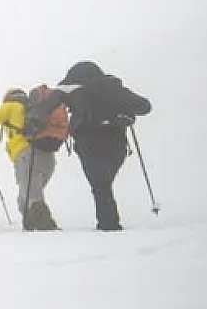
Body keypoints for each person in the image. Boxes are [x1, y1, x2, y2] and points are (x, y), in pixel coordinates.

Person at [35, 62, 153, 231]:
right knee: (103, 183)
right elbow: (144, 106)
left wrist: (34, 121)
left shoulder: (68, 88)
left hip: (88, 138)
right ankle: (108, 221)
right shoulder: (112, 87)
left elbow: (44, 107)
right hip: (116, 140)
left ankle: (108, 224)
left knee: (99, 184)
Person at [0, 88, 61, 231]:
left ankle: (45, 228)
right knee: (26, 197)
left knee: (32, 196)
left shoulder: (11, 106)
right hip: (47, 155)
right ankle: (31, 223)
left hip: (25, 154)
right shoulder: (36, 109)